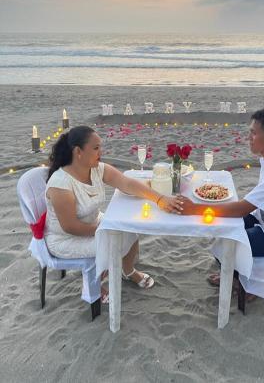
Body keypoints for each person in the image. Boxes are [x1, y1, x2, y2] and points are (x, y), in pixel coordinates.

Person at [45, 125, 184, 300]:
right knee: (115, 239)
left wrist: (159, 199)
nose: (100, 152)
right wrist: (106, 227)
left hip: (95, 223)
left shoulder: (96, 168)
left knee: (130, 227)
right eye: (96, 148)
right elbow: (70, 226)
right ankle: (95, 284)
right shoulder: (61, 183)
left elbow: (126, 184)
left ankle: (127, 271)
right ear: (78, 151)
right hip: (66, 238)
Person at [180, 108, 264, 286]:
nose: (249, 137)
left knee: (228, 244)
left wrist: (193, 209)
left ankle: (245, 284)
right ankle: (233, 274)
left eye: (253, 133)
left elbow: (242, 208)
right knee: (222, 227)